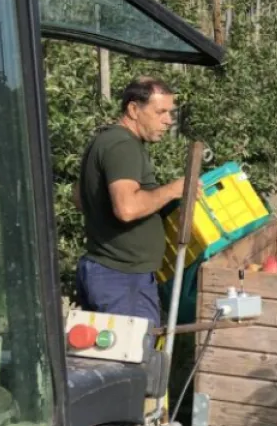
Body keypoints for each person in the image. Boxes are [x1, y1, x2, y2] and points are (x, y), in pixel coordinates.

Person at [72, 76, 195, 325]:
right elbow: (127, 209)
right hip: (121, 279)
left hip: (111, 274)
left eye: (170, 113)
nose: (168, 121)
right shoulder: (122, 145)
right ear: (133, 109)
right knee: (130, 358)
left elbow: (79, 196)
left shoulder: (107, 140)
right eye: (160, 112)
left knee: (107, 357)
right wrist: (173, 190)